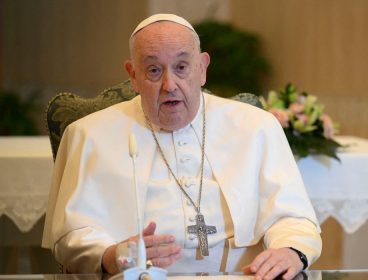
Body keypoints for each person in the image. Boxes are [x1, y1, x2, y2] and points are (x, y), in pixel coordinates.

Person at [42, 14, 322, 280]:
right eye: (153, 70)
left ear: (202, 68)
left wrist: (290, 250)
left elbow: (293, 218)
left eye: (181, 67)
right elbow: (71, 236)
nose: (169, 84)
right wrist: (112, 255)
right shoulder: (89, 135)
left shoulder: (257, 126)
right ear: (133, 75)